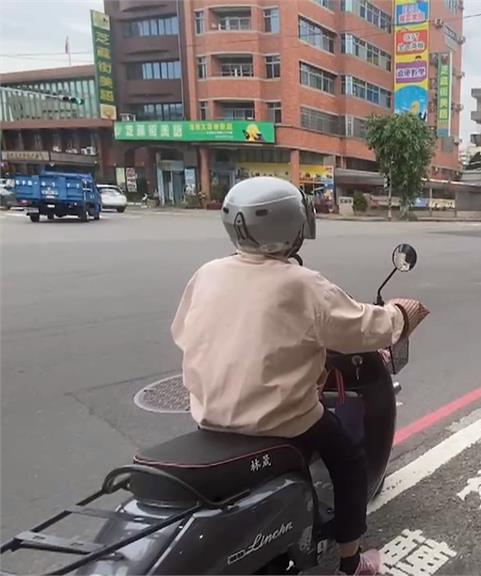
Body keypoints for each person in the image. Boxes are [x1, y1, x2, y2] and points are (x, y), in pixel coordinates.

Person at [171, 177, 427, 576]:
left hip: (209, 416)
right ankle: (352, 561)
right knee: (349, 460)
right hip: (281, 422)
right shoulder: (301, 283)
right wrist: (402, 315)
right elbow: (363, 327)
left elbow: (182, 333)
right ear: (292, 226)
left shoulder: (207, 273)